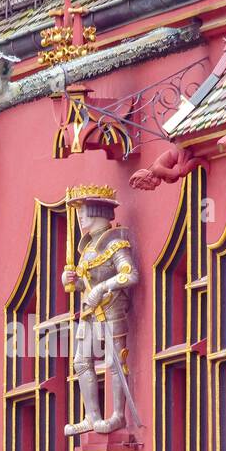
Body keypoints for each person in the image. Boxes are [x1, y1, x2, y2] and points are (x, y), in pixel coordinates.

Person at [60, 184, 138, 436]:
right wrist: (72, 281)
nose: (80, 216)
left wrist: (101, 287)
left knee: (115, 363)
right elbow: (85, 282)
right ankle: (92, 416)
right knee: (81, 362)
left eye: (83, 211)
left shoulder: (114, 243)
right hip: (89, 312)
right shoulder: (88, 249)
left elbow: (129, 274)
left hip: (112, 309)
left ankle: (117, 415)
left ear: (96, 212)